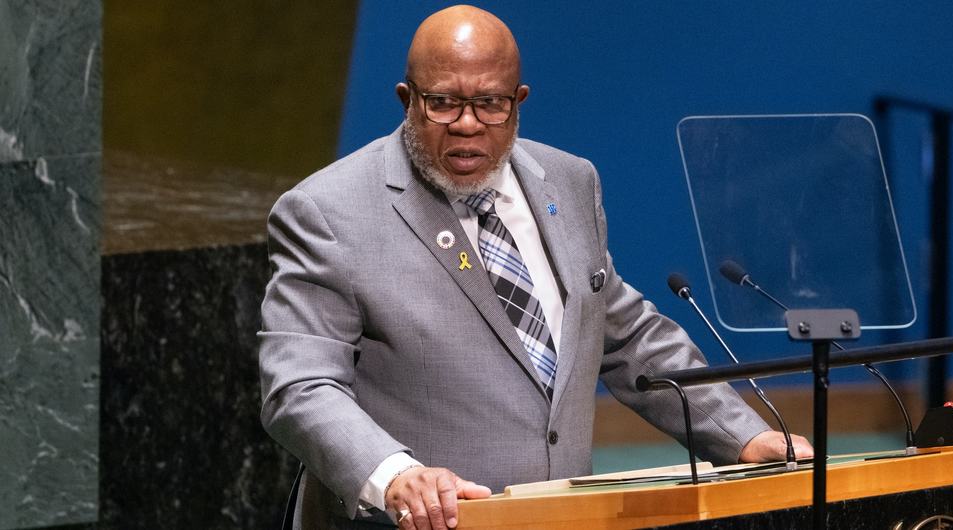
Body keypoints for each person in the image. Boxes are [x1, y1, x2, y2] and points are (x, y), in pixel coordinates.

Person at [258, 5, 812, 529]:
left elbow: (625, 338)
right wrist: (396, 475)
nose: (467, 124)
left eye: (491, 104)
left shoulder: (570, 182)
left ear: (519, 100)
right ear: (407, 98)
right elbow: (301, 385)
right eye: (443, 103)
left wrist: (742, 437)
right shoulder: (328, 212)